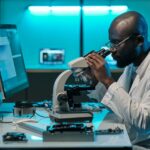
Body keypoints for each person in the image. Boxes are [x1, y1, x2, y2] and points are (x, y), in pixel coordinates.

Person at [86, 11, 150, 148]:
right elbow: (117, 106)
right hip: (129, 140)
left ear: (139, 41)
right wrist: (97, 80)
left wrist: (108, 80)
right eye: (111, 43)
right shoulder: (132, 64)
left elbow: (145, 122)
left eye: (117, 43)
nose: (112, 50)